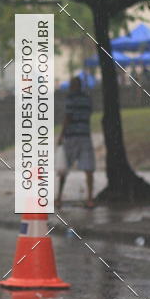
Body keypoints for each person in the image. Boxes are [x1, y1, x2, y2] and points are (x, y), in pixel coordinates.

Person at [57, 75, 96, 207]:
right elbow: (89, 113)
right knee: (89, 168)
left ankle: (59, 198)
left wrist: (61, 136)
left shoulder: (70, 99)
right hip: (85, 135)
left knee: (64, 168)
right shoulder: (87, 99)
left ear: (73, 86)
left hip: (72, 136)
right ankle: (90, 198)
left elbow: (67, 117)